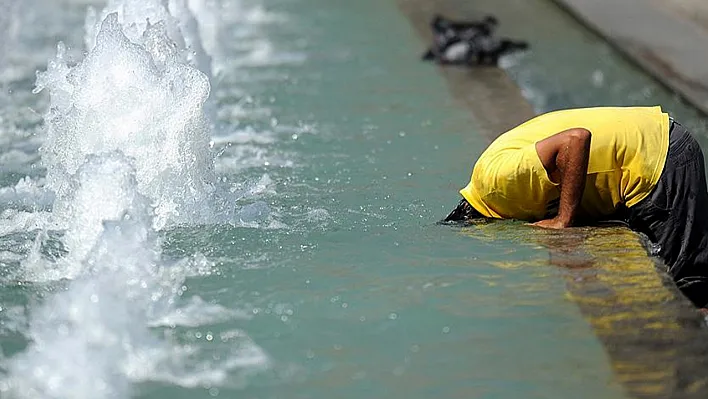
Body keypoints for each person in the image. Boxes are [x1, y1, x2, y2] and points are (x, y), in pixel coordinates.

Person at [444, 106, 708, 308]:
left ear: (478, 222)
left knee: (688, 289)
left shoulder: (497, 184)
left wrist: (563, 219)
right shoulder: (492, 182)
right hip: (650, 144)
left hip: (657, 158)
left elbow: (576, 139)